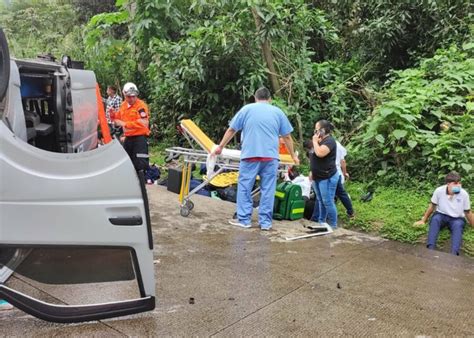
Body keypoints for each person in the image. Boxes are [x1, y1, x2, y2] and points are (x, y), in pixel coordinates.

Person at [212, 87, 299, 230]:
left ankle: (244, 220)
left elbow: (232, 129)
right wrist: (293, 156)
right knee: (268, 189)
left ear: (255, 97)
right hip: (270, 157)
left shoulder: (247, 109)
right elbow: (287, 136)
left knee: (245, 187)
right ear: (270, 99)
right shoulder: (278, 112)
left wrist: (220, 146)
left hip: (250, 156)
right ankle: (265, 223)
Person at [414, 171, 473, 255]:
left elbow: (468, 212)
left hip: (457, 218)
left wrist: (472, 225)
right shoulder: (439, 191)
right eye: (455, 183)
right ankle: (430, 249)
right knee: (435, 219)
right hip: (441, 215)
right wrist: (423, 220)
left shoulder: (464, 194)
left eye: (459, 183)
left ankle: (454, 253)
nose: (458, 186)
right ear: (448, 184)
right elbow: (432, 206)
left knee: (458, 226)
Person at [114, 82, 151, 172]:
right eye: (129, 96)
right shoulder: (123, 106)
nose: (131, 99)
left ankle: (143, 183)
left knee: (140, 164)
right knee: (127, 162)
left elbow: (144, 123)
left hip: (139, 139)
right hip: (128, 138)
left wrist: (125, 124)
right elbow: (117, 119)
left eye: (134, 96)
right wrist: (114, 118)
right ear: (124, 94)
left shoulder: (141, 106)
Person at [310, 120, 339, 228]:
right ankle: (321, 222)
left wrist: (314, 141)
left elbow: (320, 153)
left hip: (326, 176)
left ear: (323, 130)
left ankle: (333, 224)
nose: (315, 132)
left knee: (327, 201)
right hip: (317, 176)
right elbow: (313, 156)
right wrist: (311, 171)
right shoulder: (319, 141)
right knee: (320, 200)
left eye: (317, 130)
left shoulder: (330, 141)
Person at [334, 140, 354, 218]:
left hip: (331, 173)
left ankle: (331, 217)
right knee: (341, 193)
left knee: (333, 195)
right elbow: (343, 161)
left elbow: (343, 161)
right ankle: (350, 211)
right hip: (338, 173)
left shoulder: (324, 144)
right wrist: (344, 173)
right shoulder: (337, 144)